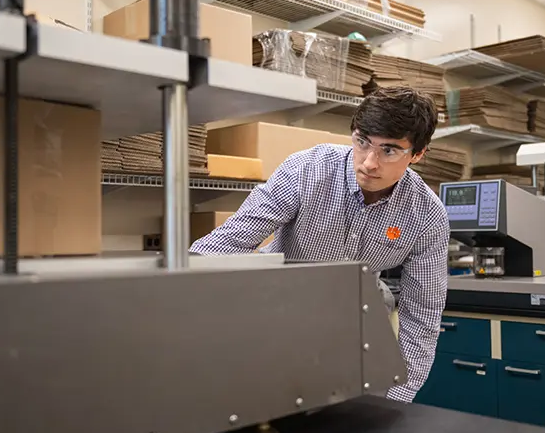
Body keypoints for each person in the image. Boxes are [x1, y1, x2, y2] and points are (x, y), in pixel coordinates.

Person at [190, 86, 450, 403]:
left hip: (355, 330)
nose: (369, 162)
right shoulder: (306, 171)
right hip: (278, 316)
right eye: (362, 141)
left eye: (389, 151)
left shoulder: (427, 216)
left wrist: (397, 396)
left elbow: (421, 316)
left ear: (418, 154)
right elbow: (229, 241)